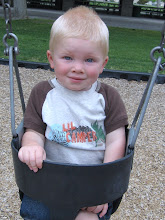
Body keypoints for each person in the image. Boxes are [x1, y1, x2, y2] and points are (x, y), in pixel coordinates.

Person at [18, 5, 128, 220]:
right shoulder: (43, 93)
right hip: (48, 181)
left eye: (89, 60)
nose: (78, 68)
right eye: (67, 58)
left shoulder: (108, 97)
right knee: (38, 214)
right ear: (51, 59)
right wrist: (31, 145)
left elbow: (116, 141)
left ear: (103, 63)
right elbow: (34, 130)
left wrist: (103, 187)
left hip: (92, 183)